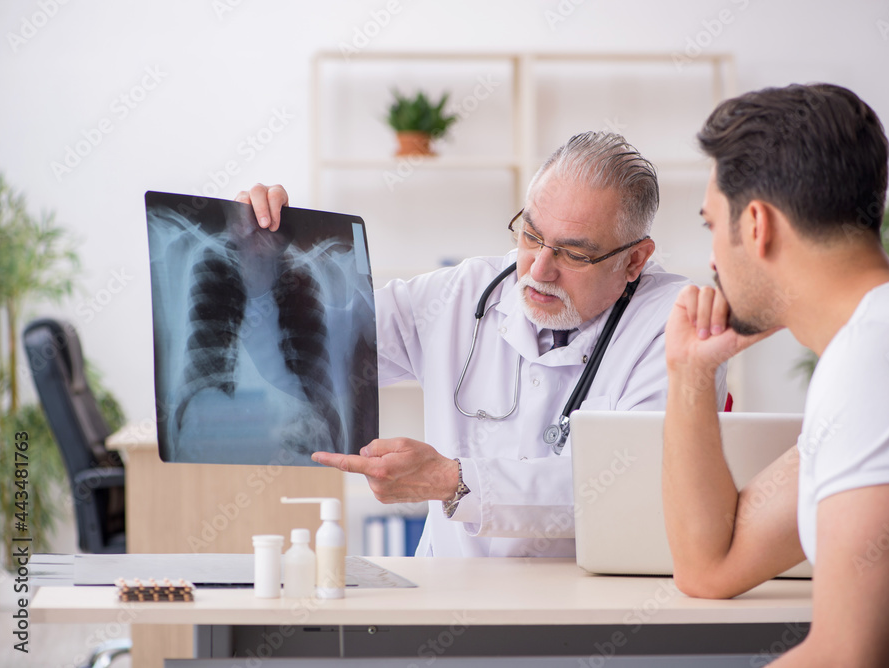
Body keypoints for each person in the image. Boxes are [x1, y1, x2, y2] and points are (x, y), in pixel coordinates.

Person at [238, 131, 728, 558]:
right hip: (445, 595)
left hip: (587, 611)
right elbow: (305, 353)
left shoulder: (677, 324)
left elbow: (641, 485)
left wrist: (455, 481)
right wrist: (267, 269)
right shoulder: (461, 293)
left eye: (574, 253)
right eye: (531, 235)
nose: (538, 269)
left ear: (635, 260)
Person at [661, 82, 889, 665]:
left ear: (758, 225)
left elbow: (852, 657)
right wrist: (688, 374)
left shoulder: (882, 360)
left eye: (711, 225)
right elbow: (709, 567)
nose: (713, 260)